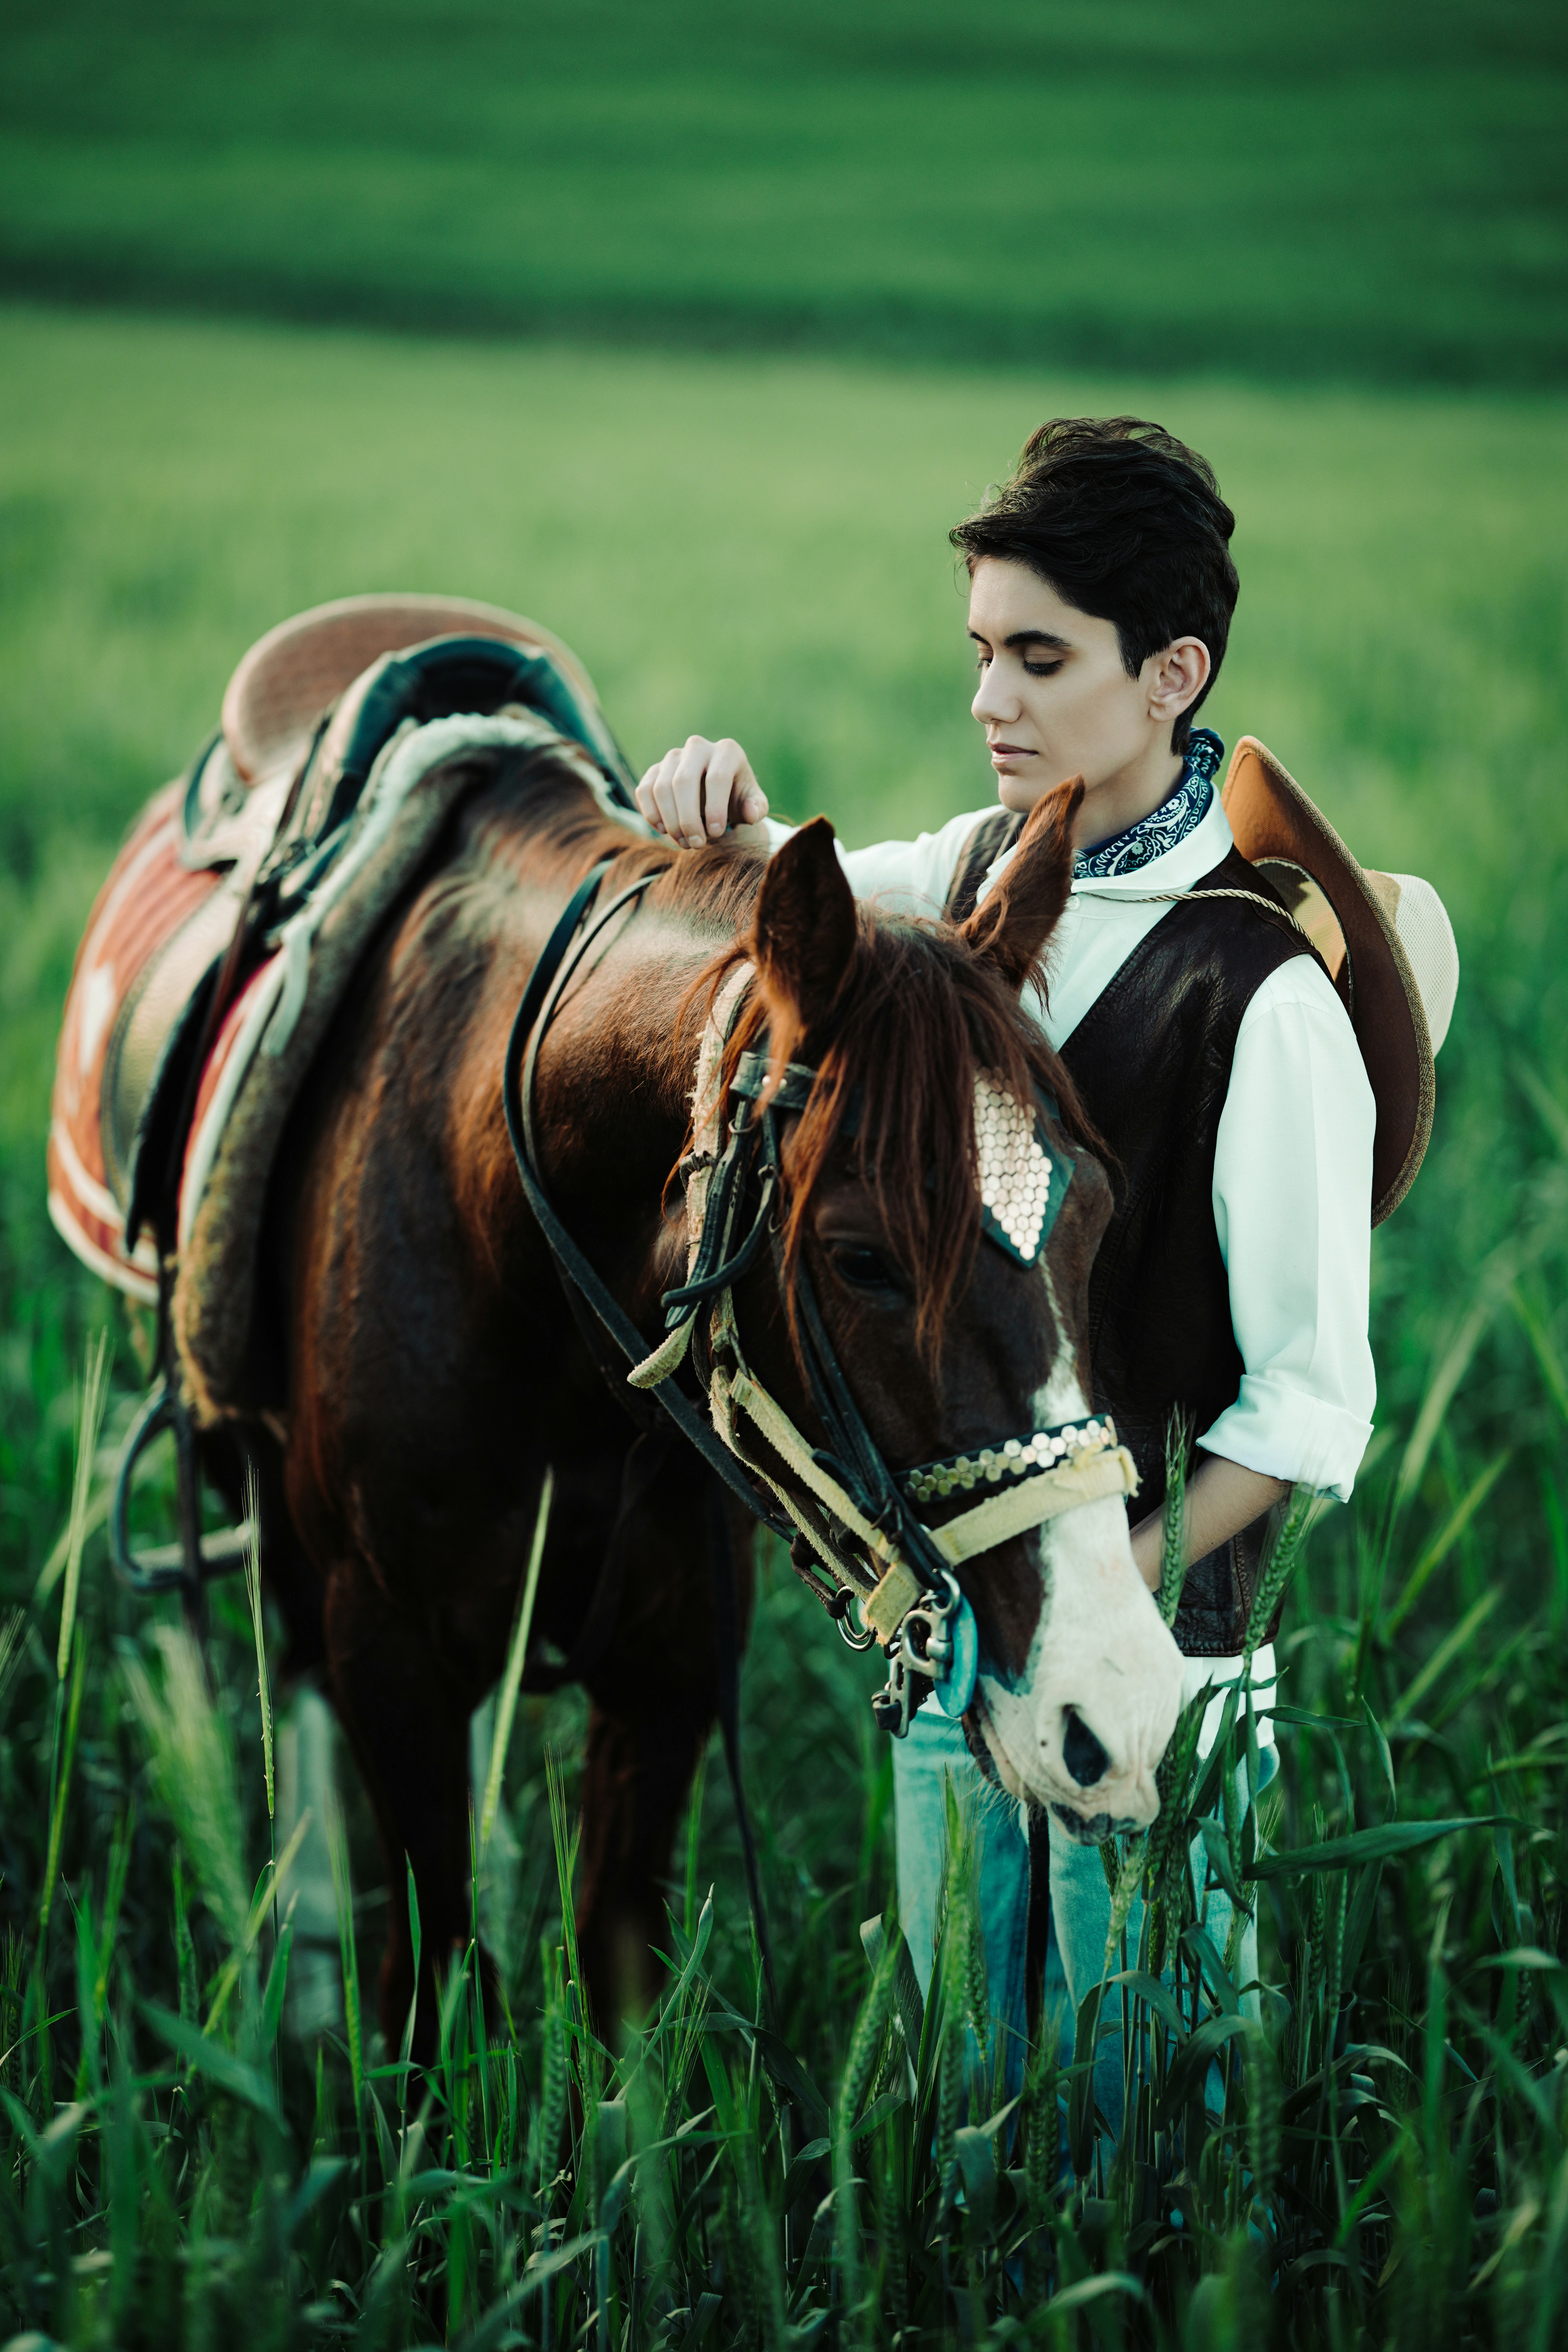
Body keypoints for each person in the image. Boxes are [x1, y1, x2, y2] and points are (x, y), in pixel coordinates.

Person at [633, 416, 1453, 2120]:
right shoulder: (962, 882)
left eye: (1037, 657)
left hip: (1164, 1669)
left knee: (1146, 2137)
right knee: (966, 2131)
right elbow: (786, 934)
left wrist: (1104, 1595)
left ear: (1170, 673)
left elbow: (1310, 1412)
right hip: (960, 1651)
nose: (990, 701)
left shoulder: (1262, 997)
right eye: (978, 655)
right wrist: (716, 808)